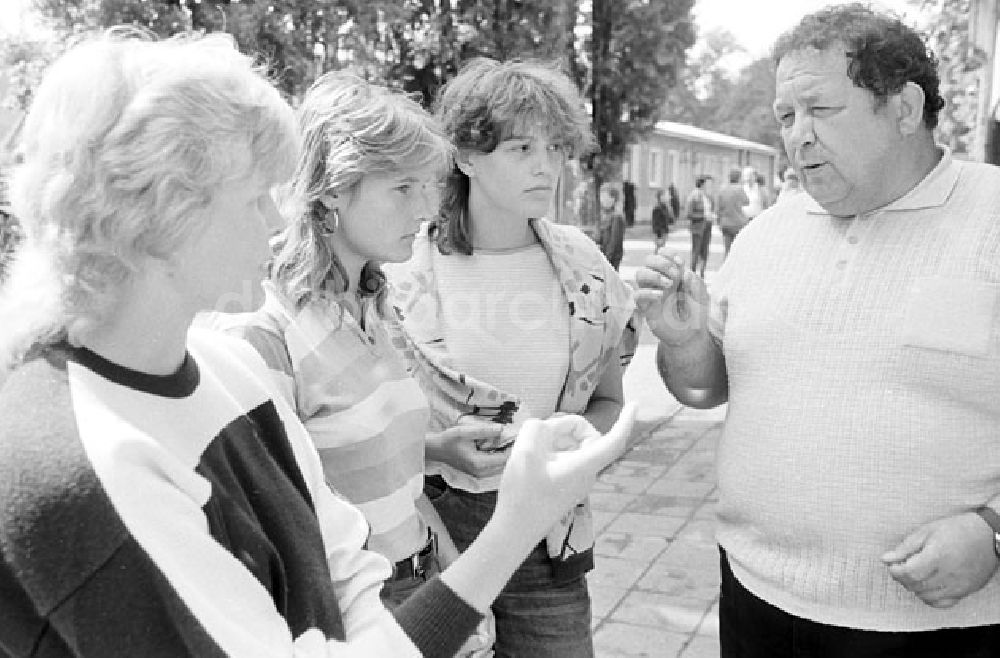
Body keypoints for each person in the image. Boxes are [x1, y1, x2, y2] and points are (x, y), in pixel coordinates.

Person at [0, 30, 638, 657]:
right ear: (162, 210)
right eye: (256, 198)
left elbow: (343, 560)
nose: (280, 219)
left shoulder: (229, 372)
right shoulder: (91, 468)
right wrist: (514, 528)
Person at [636, 4, 1000, 656]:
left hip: (939, 628)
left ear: (905, 107)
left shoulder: (991, 221)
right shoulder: (765, 234)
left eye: (820, 110)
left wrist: (996, 533)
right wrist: (684, 343)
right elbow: (704, 392)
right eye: (784, 116)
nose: (796, 136)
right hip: (754, 599)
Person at [207, 71, 494, 655]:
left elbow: (380, 474)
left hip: (417, 581)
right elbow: (277, 517)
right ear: (334, 189)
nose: (427, 209)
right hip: (355, 619)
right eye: (403, 189)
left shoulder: (372, 300)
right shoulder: (263, 333)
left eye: (428, 187)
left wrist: (451, 576)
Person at [386, 57, 636, 657]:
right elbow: (349, 429)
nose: (546, 166)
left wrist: (577, 449)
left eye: (556, 148)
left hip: (546, 537)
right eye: (521, 148)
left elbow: (607, 403)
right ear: (466, 156)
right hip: (429, 533)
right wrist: (433, 449)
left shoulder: (583, 268)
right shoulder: (398, 272)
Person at [683, 174, 715, 276]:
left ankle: (702, 272)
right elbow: (688, 213)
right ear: (702, 184)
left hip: (708, 225)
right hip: (698, 225)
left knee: (705, 248)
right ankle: (692, 271)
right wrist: (703, 216)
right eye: (707, 184)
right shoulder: (694, 196)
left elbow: (711, 209)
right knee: (696, 249)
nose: (709, 187)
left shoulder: (707, 196)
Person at [716, 168, 750, 259]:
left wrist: (719, 222)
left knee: (727, 250)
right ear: (739, 178)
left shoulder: (722, 190)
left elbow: (718, 209)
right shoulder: (739, 189)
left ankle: (726, 269)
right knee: (737, 250)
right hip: (738, 223)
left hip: (726, 224)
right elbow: (746, 201)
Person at [598, 182, 626, 270]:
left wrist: (607, 259)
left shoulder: (616, 217)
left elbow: (614, 242)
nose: (602, 200)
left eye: (604, 197)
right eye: (601, 196)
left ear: (613, 199)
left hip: (610, 259)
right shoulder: (604, 215)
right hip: (603, 257)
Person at [650, 188, 674, 252]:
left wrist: (670, 208)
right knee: (659, 249)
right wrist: (659, 236)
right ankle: (654, 260)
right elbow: (655, 223)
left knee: (661, 249)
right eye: (666, 195)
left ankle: (656, 259)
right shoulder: (657, 208)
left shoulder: (665, 207)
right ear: (661, 197)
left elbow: (670, 220)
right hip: (660, 233)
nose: (668, 197)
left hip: (664, 231)